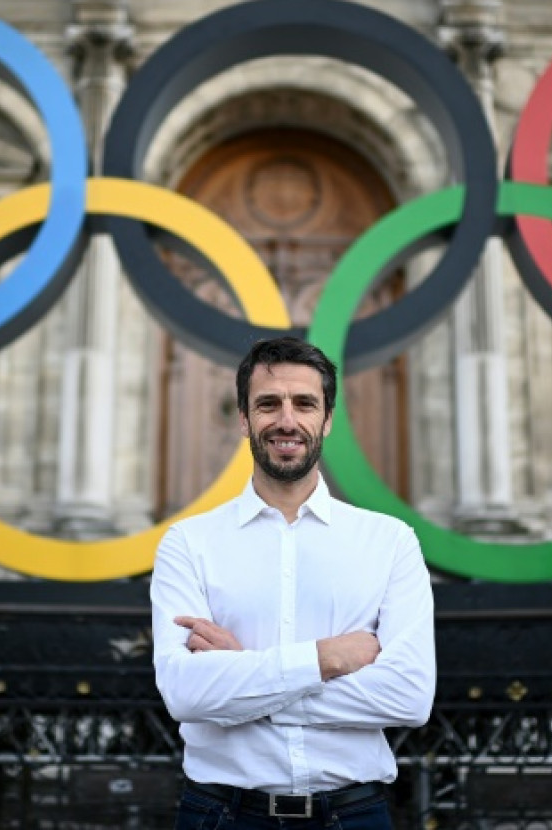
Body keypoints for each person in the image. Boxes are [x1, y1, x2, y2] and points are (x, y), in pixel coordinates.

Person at [150, 336, 436, 829]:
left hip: (352, 814)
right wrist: (324, 660)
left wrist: (242, 678)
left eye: (304, 403)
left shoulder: (390, 542)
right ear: (244, 419)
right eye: (268, 404)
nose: (287, 421)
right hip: (222, 814)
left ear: (326, 419)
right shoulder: (188, 543)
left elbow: (408, 697)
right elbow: (185, 695)